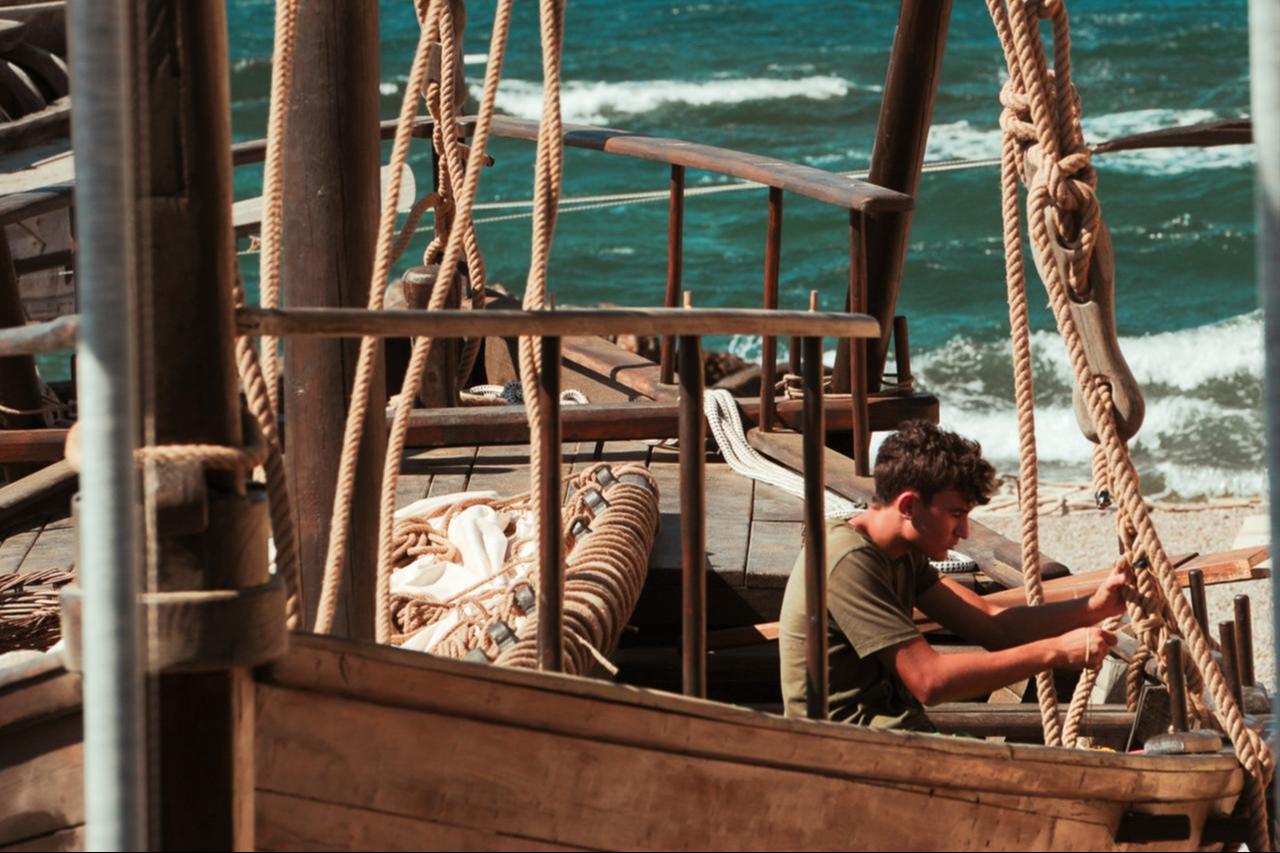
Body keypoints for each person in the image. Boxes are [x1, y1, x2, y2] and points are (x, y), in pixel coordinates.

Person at [777, 420, 1126, 731]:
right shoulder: (848, 560)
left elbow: (993, 625)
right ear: (909, 506)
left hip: (890, 731)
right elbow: (929, 681)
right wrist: (1055, 651)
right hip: (843, 746)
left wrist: (1095, 607)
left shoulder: (901, 552)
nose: (964, 532)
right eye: (956, 514)